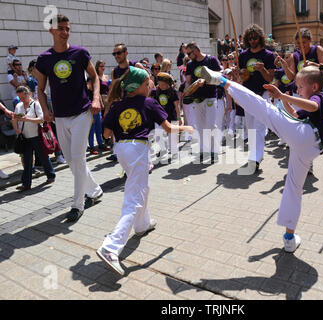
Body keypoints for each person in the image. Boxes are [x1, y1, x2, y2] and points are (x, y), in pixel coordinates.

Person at [200, 65, 323, 253]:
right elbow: (295, 115)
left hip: (307, 136)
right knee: (293, 189)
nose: (299, 90)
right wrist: (286, 103)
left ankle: (223, 81)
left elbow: (313, 106)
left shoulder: (320, 98)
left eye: (301, 87)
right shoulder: (311, 100)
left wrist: (282, 97)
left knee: (264, 108)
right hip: (309, 146)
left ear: (315, 87)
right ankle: (289, 238)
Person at [97, 66, 193, 275]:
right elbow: (168, 128)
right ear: (140, 86)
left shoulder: (116, 105)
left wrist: (111, 111)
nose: (151, 85)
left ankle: (143, 224)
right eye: (148, 82)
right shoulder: (149, 102)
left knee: (141, 187)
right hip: (138, 149)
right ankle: (111, 247)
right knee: (134, 198)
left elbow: (105, 134)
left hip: (121, 149)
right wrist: (186, 128)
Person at [35, 14, 103, 221]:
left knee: (78, 158)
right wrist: (45, 110)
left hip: (82, 112)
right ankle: (95, 190)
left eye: (67, 29)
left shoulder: (80, 53)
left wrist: (96, 98)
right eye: (61, 29)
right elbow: (40, 88)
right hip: (60, 117)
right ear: (52, 31)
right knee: (73, 162)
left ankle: (78, 203)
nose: (65, 32)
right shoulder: (44, 59)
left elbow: (95, 77)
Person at [238, 24, 276, 173]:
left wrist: (263, 70)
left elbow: (270, 78)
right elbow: (241, 78)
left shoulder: (268, 55)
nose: (253, 40)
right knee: (251, 128)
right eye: (250, 38)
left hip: (263, 94)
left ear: (260, 38)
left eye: (255, 37)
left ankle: (255, 158)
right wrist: (239, 73)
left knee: (260, 127)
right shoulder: (242, 56)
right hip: (248, 94)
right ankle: (255, 154)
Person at [12, 86, 56, 191]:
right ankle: (26, 184)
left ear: (28, 94)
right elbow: (14, 118)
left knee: (43, 156)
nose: (21, 100)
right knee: (27, 161)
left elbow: (41, 120)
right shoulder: (18, 106)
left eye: (22, 97)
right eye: (19, 98)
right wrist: (16, 129)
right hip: (25, 138)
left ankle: (51, 175)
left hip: (37, 136)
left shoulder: (36, 104)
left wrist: (27, 119)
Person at [185, 42, 222, 162]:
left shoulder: (211, 60)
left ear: (195, 50)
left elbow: (219, 75)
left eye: (189, 53)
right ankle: (203, 149)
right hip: (197, 98)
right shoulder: (190, 64)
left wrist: (205, 81)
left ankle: (214, 150)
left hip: (210, 96)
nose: (188, 56)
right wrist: (188, 89)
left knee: (211, 124)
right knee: (200, 126)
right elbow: (188, 81)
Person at [151, 72, 182, 159]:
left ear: (168, 83)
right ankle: (163, 149)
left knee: (173, 137)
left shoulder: (173, 92)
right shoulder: (157, 91)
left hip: (172, 117)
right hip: (160, 117)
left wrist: (179, 118)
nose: (161, 86)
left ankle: (174, 152)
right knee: (158, 135)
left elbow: (177, 105)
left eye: (163, 84)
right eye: (159, 84)